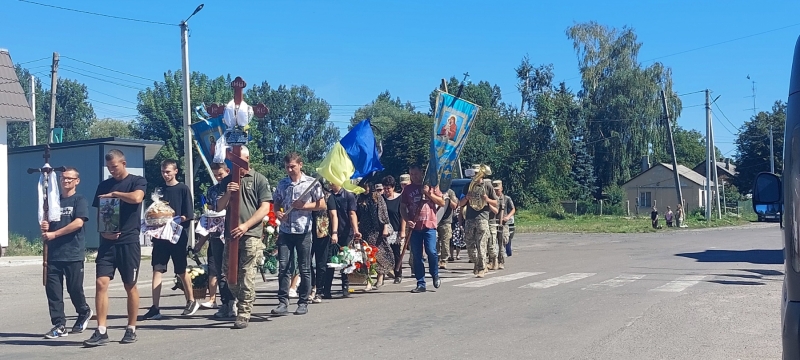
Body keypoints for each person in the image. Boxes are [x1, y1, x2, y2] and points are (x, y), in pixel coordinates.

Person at [85, 149, 147, 347]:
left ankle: (131, 328)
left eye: (115, 166)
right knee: (101, 283)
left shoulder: (137, 181)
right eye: (109, 167)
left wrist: (116, 194)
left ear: (123, 163)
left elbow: (137, 198)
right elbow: (100, 211)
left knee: (130, 285)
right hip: (107, 243)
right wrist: (102, 232)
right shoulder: (103, 185)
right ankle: (101, 330)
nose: (112, 170)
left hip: (128, 241)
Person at [216, 146, 272, 329]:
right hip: (231, 235)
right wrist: (228, 193)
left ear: (247, 159)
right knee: (228, 273)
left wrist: (245, 225)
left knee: (247, 273)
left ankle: (243, 312)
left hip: (250, 234)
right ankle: (243, 299)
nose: (235, 164)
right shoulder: (228, 180)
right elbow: (218, 207)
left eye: (238, 160)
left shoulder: (259, 179)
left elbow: (265, 208)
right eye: (233, 160)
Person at [141, 160, 198, 320]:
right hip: (160, 237)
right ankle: (155, 307)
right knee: (157, 269)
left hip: (177, 236)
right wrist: (154, 219)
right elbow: (154, 211)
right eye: (163, 172)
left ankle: (191, 300)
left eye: (168, 172)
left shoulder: (183, 189)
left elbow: (189, 214)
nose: (165, 175)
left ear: (175, 171)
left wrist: (175, 220)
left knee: (181, 270)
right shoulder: (159, 191)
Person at [40, 167, 92, 339]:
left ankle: (83, 311)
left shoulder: (80, 200)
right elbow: (48, 223)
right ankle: (59, 325)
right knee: (53, 292)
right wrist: (46, 226)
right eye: (63, 178)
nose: (66, 181)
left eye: (70, 178)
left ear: (77, 181)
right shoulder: (54, 202)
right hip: (54, 254)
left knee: (74, 289)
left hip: (73, 253)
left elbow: (78, 223)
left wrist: (54, 234)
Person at [271, 153, 325, 317]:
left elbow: (321, 204)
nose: (290, 169)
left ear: (300, 165)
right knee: (283, 267)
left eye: (293, 166)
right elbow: (277, 202)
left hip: (303, 230)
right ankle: (282, 302)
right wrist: (278, 212)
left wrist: (304, 205)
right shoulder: (283, 183)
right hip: (286, 230)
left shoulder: (310, 183)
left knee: (305, 267)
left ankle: (303, 302)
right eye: (287, 166)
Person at [193, 162, 236, 318]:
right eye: (216, 175)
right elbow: (212, 208)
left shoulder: (234, 186)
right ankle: (225, 303)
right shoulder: (212, 190)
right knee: (219, 271)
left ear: (228, 171)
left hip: (232, 233)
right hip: (216, 234)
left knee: (232, 270)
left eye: (221, 174)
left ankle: (234, 302)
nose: (218, 178)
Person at [400, 165, 445, 293]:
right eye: (411, 174)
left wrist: (428, 193)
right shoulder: (408, 190)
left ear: (422, 173)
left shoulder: (431, 185)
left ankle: (435, 274)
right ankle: (421, 283)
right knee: (417, 256)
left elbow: (441, 202)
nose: (414, 177)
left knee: (431, 251)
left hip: (429, 225)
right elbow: (403, 207)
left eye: (416, 174)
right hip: (415, 227)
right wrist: (408, 220)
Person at [459, 168, 498, 278]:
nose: (475, 176)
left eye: (477, 173)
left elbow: (496, 202)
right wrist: (467, 197)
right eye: (474, 173)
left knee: (481, 244)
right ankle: (477, 263)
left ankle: (481, 268)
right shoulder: (468, 186)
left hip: (482, 218)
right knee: (470, 245)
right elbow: (460, 203)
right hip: (470, 219)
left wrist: (487, 199)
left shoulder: (488, 186)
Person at [322, 181, 359, 298]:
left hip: (345, 231)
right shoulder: (328, 195)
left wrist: (356, 230)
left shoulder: (348, 195)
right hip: (331, 232)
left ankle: (345, 287)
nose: (330, 184)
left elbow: (352, 213)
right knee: (331, 260)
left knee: (345, 259)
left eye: (332, 181)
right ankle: (326, 289)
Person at [356, 182, 392, 289]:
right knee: (366, 256)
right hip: (364, 230)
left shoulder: (377, 197)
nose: (365, 189)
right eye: (362, 187)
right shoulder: (359, 198)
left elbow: (384, 213)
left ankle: (380, 276)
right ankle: (369, 281)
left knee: (379, 254)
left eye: (366, 186)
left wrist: (385, 227)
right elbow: (356, 214)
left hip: (377, 230)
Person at [310, 184, 333, 303]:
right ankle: (311, 287)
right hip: (307, 231)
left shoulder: (328, 196)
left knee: (321, 263)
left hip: (322, 232)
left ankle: (319, 290)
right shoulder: (307, 197)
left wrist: (334, 232)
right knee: (306, 263)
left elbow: (333, 215)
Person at [381, 176, 406, 284]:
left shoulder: (400, 198)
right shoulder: (381, 199)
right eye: (385, 188)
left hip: (395, 229)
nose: (386, 191)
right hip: (384, 230)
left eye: (388, 188)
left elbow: (402, 215)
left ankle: (398, 274)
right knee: (384, 253)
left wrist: (402, 230)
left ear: (393, 187)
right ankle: (385, 271)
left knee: (396, 253)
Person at [493, 180, 515, 269]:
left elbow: (513, 209)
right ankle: (493, 261)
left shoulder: (506, 198)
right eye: (494, 190)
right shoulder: (492, 198)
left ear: (501, 189)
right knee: (492, 244)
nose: (496, 191)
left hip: (503, 222)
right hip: (494, 222)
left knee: (503, 242)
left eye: (498, 190)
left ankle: (501, 261)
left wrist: (507, 217)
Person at [437, 188, 458, 270]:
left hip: (446, 221)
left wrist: (448, 199)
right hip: (435, 220)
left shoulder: (450, 192)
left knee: (445, 241)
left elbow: (455, 206)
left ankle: (443, 260)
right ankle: (437, 258)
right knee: (434, 241)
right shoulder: (434, 190)